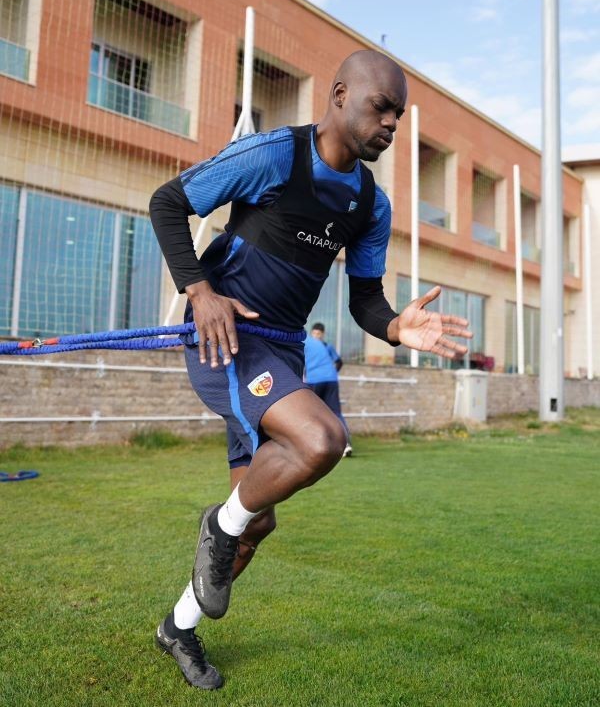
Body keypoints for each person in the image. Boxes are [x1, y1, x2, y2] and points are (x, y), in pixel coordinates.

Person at [149, 49, 471, 690]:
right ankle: (219, 524)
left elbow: (366, 300)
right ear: (340, 94)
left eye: (399, 115)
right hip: (226, 340)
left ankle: (178, 627)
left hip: (282, 352)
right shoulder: (274, 155)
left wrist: (396, 328)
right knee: (322, 439)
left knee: (258, 522)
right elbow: (168, 202)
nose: (392, 123)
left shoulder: (370, 205)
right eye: (382, 107)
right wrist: (200, 292)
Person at [304, 322, 352, 456]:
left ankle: (313, 445)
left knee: (312, 413)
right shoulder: (321, 345)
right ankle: (346, 444)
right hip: (331, 379)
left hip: (315, 379)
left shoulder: (300, 341)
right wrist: (331, 373)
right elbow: (338, 361)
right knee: (336, 412)